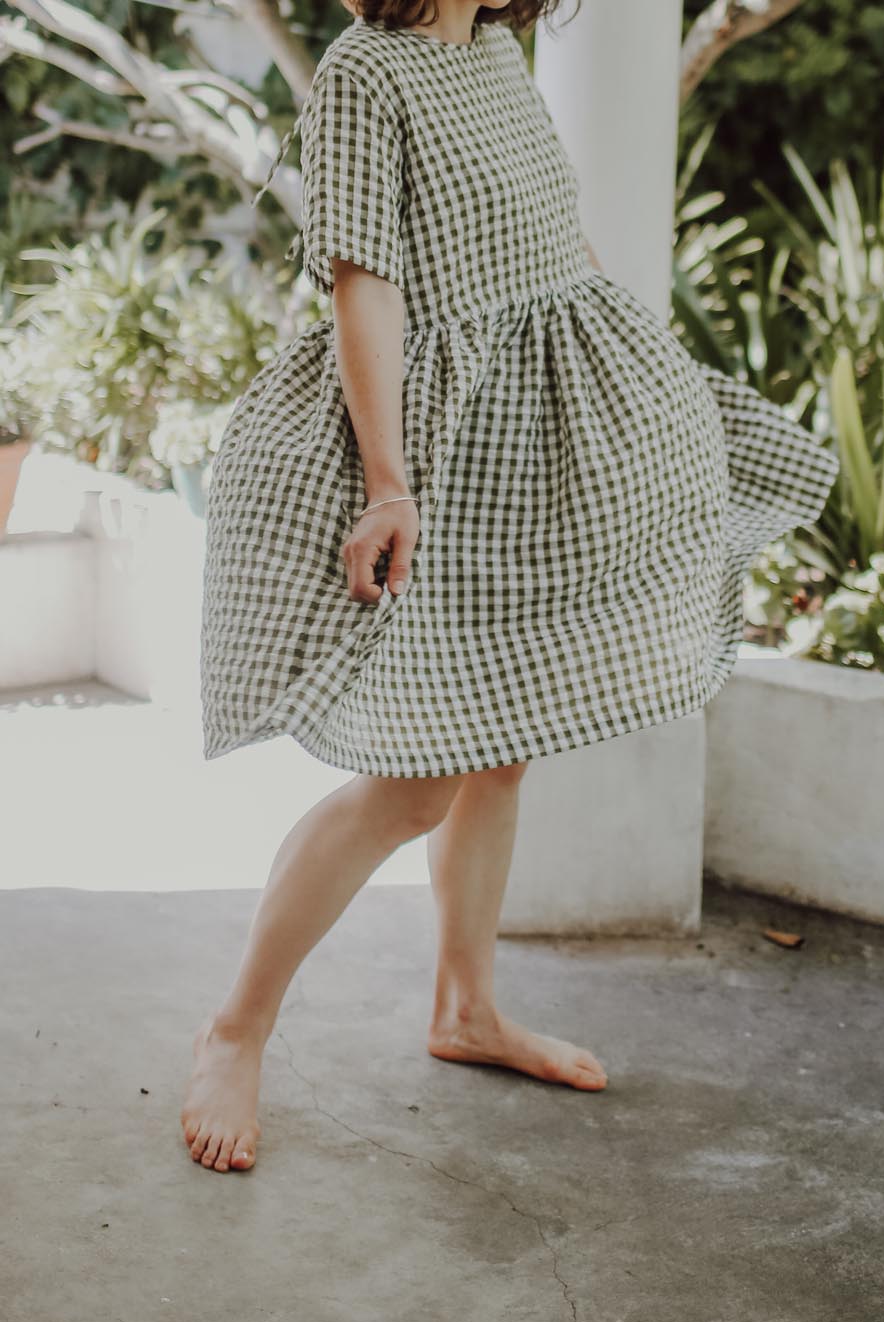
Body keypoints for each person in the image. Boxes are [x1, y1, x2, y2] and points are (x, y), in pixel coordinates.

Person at [182, 0, 840, 1172]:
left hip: (533, 441)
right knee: (414, 784)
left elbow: (555, 240)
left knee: (500, 744)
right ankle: (235, 1030)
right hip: (438, 442)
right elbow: (362, 282)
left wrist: (635, 386)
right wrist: (390, 485)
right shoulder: (365, 74)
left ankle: (464, 1008)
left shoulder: (491, 49)